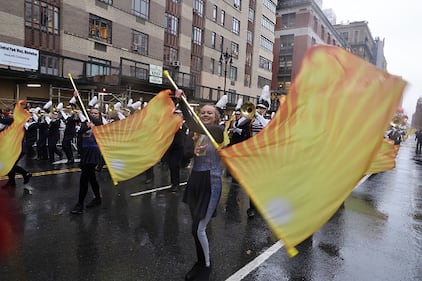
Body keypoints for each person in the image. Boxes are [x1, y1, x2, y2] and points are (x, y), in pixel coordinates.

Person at [175, 89, 224, 281]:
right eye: (203, 112)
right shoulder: (196, 134)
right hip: (195, 180)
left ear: (216, 117)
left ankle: (206, 266)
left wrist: (182, 103)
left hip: (210, 182)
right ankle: (200, 261)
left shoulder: (218, 132)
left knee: (200, 228)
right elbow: (185, 156)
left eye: (209, 112)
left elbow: (193, 123)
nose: (205, 114)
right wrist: (192, 150)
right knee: (195, 227)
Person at [71, 97, 103, 215]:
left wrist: (78, 101)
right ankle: (98, 198)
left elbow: (96, 123)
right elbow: (79, 132)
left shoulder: (100, 124)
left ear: (99, 115)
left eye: (96, 113)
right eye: (92, 113)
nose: (93, 115)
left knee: (84, 179)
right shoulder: (86, 123)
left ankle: (80, 204)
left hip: (94, 154)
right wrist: (87, 126)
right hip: (85, 153)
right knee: (91, 177)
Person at [1, 105, 32, 189]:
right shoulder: (9, 122)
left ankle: (25, 174)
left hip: (19, 148)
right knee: (10, 164)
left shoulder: (15, 120)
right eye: (9, 113)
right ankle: (12, 182)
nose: (10, 114)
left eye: (12, 113)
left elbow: (4, 120)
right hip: (13, 148)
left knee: (11, 165)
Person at [166, 109, 187, 192]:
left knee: (174, 165)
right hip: (170, 147)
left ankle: (176, 184)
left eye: (178, 115)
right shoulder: (169, 125)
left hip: (178, 148)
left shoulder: (182, 125)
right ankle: (173, 183)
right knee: (171, 166)